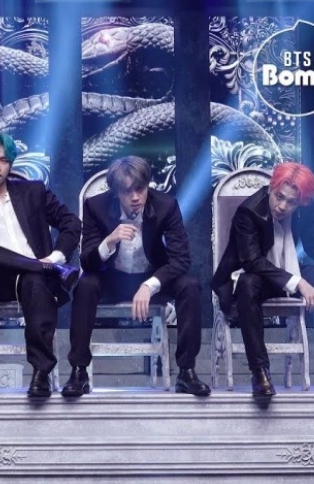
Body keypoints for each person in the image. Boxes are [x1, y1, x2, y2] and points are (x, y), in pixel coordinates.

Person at [212, 162, 314, 397]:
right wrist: (299, 283)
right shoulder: (248, 212)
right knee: (248, 283)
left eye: (292, 202)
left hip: (290, 269)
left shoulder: (303, 207)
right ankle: (260, 372)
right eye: (279, 197)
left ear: (301, 201)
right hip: (252, 276)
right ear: (272, 187)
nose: (283, 206)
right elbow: (253, 262)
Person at [63, 156, 210, 397]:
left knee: (190, 286)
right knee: (85, 285)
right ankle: (79, 371)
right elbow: (87, 262)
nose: (135, 197)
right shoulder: (95, 207)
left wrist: (149, 286)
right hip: (112, 278)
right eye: (127, 191)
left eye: (140, 189)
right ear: (115, 193)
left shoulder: (166, 206)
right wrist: (109, 241)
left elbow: (181, 259)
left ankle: (186, 372)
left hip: (152, 277)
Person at [0, 131, 81, 398]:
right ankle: (44, 269)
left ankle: (41, 373)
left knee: (34, 280)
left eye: (3, 160)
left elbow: (71, 223)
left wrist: (56, 257)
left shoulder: (33, 192)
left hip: (32, 279)